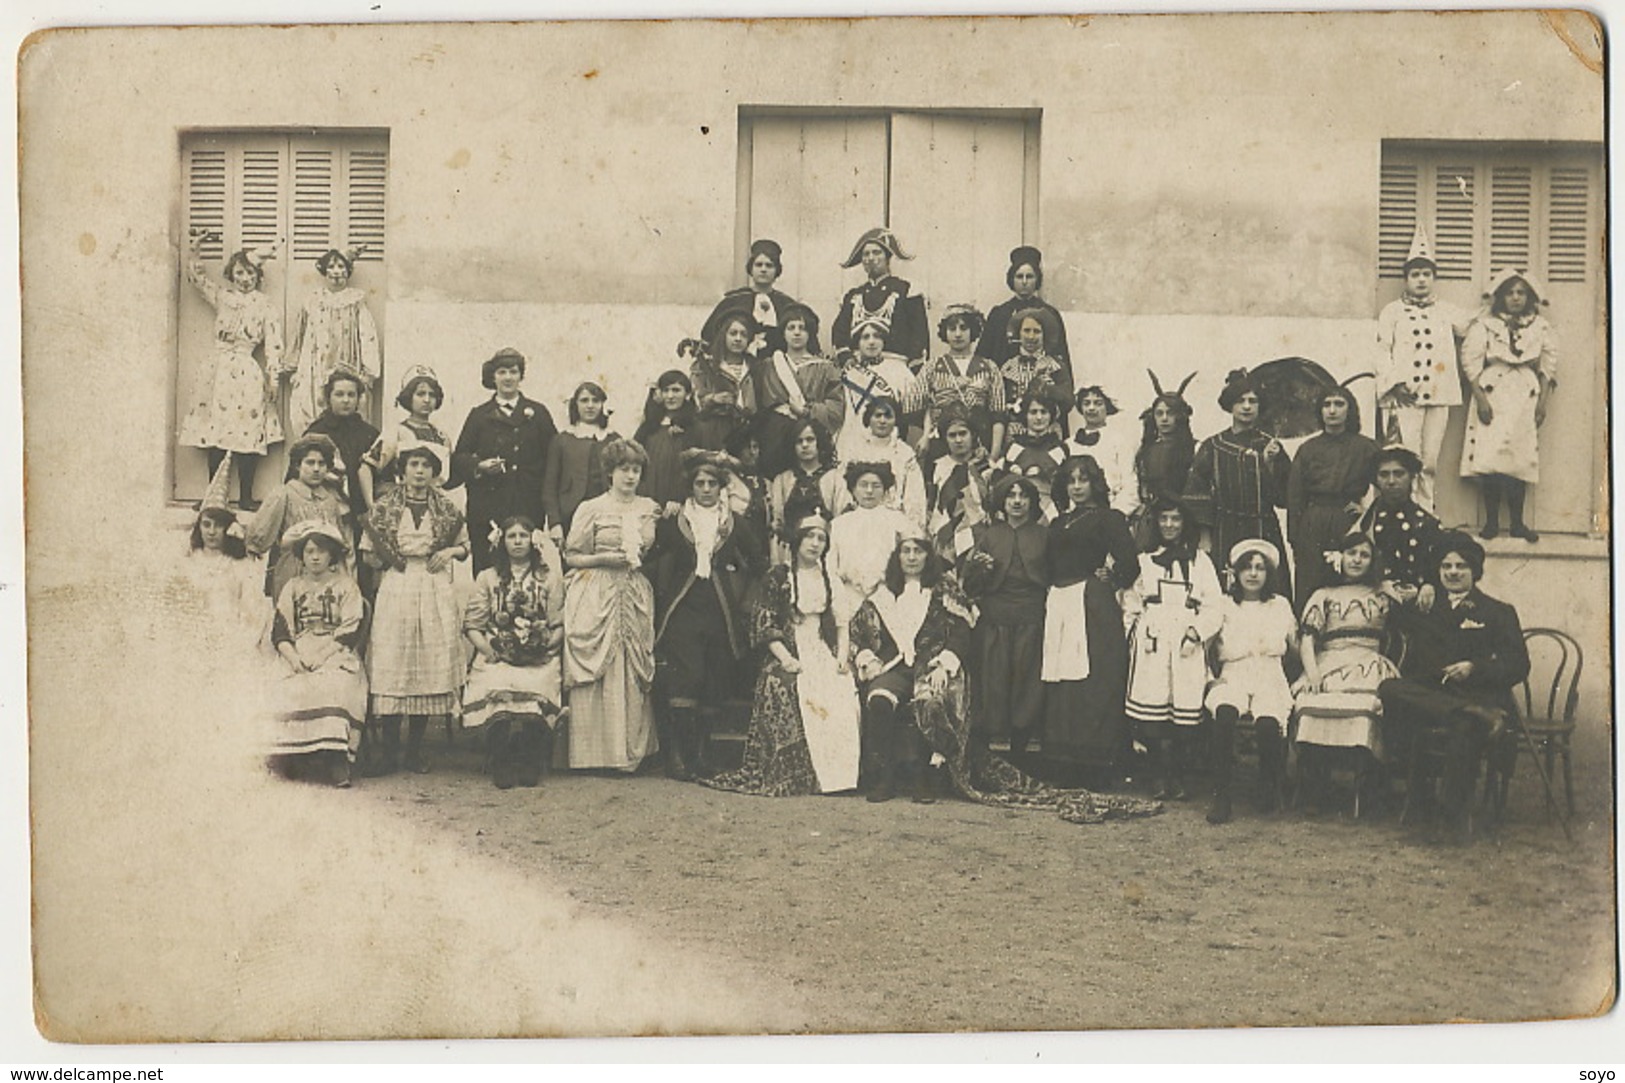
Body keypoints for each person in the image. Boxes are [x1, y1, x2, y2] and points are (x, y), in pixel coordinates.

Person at [1378, 532, 1530, 840]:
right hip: (1436, 697)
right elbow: (1390, 614)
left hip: (1479, 692)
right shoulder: (1427, 607)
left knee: (1463, 727)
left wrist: (1475, 668)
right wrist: (1422, 587)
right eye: (1446, 566)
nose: (1453, 572)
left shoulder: (1497, 612)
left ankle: (1450, 817)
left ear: (1474, 571)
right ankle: (1472, 713)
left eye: (1461, 566)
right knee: (1389, 687)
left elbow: (1518, 665)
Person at [704, 503, 862, 796]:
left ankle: (836, 777)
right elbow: (765, 624)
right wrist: (787, 659)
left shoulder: (831, 579)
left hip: (821, 648)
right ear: (796, 540)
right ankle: (798, 774)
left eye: (821, 538)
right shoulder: (779, 576)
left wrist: (842, 658)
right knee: (786, 684)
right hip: (787, 648)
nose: (815, 544)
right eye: (809, 537)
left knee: (841, 692)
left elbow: (842, 624)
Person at [649, 451, 766, 780]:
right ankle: (681, 758)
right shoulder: (676, 520)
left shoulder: (734, 522)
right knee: (688, 676)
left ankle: (702, 757)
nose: (705, 489)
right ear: (691, 487)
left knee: (713, 678)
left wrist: (748, 595)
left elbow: (757, 561)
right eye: (699, 483)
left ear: (721, 487)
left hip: (719, 608)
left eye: (712, 483)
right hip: (684, 606)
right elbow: (652, 555)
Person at [363, 441, 470, 776]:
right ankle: (390, 751)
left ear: (434, 473)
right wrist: (383, 557)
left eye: (426, 466)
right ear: (403, 470)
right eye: (414, 465)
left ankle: (414, 750)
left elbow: (465, 547)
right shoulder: (385, 506)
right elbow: (368, 551)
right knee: (396, 660)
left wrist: (449, 554)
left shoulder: (447, 508)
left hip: (433, 583)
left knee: (427, 661)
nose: (420, 471)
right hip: (397, 582)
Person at [849, 530, 975, 803]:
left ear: (928, 555)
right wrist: (869, 660)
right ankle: (886, 776)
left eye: (918, 551)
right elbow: (858, 633)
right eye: (906, 551)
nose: (912, 557)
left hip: (931, 667)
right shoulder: (883, 594)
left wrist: (945, 664)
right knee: (879, 699)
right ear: (898, 557)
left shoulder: (945, 590)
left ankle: (923, 777)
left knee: (928, 700)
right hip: (894, 668)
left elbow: (962, 631)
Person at [562, 438, 661, 772]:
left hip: (633, 591)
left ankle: (628, 754)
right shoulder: (591, 508)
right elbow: (572, 555)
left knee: (631, 664)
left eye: (635, 470)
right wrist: (604, 557)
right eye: (623, 469)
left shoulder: (649, 507)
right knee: (599, 664)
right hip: (597, 589)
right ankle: (594, 755)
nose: (630, 476)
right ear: (610, 472)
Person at [1040, 456, 1139, 784]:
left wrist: (1111, 576)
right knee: (1062, 680)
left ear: (1094, 482)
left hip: (1091, 602)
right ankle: (1064, 762)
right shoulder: (1058, 523)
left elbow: (1130, 563)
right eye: (1071, 481)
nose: (1077, 487)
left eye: (1083, 480)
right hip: (1059, 601)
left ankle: (1097, 765)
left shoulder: (1109, 518)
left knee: (1093, 679)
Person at [1295, 531, 1402, 816]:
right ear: (1339, 557)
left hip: (1369, 663)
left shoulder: (1383, 592)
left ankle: (1368, 785)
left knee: (1367, 708)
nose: (1357, 560)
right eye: (1351, 553)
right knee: (1312, 705)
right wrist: (1313, 674)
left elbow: (1408, 623)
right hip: (1328, 662)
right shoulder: (1324, 595)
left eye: (1364, 555)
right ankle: (1317, 784)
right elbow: (1307, 640)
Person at [1122, 499, 1223, 800]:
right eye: (1163, 519)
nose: (1169, 525)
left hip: (1185, 640)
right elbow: (1131, 602)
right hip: (1152, 638)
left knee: (1184, 705)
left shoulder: (1201, 561)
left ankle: (1177, 774)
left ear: (1184, 523)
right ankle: (1156, 774)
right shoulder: (1144, 560)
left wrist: (1197, 632)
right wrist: (1133, 637)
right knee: (1152, 704)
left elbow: (1214, 605)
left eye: (1175, 519)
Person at [178, 234, 284, 511]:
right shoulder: (223, 297)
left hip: (247, 371)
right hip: (219, 371)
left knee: (247, 433)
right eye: (239, 273)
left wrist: (273, 377)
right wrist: (195, 250)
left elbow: (274, 342)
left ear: (257, 275)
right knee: (217, 434)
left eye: (250, 273)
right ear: (231, 275)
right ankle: (215, 494)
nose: (245, 278)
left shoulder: (265, 304)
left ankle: (246, 495)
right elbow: (198, 280)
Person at [462, 517, 565, 790]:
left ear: (533, 540)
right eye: (511, 536)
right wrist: (490, 650)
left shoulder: (549, 577)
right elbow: (473, 625)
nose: (518, 541)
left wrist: (545, 646)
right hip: (497, 651)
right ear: (501, 541)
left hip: (538, 654)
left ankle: (531, 758)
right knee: (496, 682)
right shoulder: (487, 577)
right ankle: (501, 758)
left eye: (523, 535)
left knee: (539, 681)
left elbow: (559, 623)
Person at [1375, 227, 1470, 513]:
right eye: (1415, 274)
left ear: (1433, 278)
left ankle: (1426, 514)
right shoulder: (1392, 311)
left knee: (1429, 462)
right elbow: (1382, 349)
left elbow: (1471, 328)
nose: (1421, 280)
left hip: (1438, 396)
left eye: (1426, 274)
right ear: (1406, 279)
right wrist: (1394, 384)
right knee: (1404, 459)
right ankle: (1401, 513)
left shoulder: (1446, 310)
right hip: (1404, 397)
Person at [1203, 540, 1298, 823]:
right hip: (1234, 673)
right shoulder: (1223, 604)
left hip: (1269, 675)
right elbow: (1203, 645)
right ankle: (1222, 795)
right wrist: (1210, 679)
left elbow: (1296, 646)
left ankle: (1266, 786)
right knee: (1225, 713)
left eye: (1259, 568)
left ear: (1269, 573)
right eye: (1246, 567)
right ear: (1236, 572)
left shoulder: (1280, 605)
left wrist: (1303, 677)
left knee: (1268, 722)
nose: (1253, 574)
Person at [268, 521, 368, 788]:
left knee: (336, 685)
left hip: (336, 649)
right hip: (299, 648)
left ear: (331, 555)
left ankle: (336, 757)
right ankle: (290, 754)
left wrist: (323, 655)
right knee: (283, 684)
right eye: (309, 551)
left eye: (321, 551)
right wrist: (293, 658)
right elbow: (281, 630)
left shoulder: (347, 586)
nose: (315, 557)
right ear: (301, 555)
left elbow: (350, 629)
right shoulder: (292, 587)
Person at [1461, 269, 1559, 543]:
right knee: (1492, 459)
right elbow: (1471, 361)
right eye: (1510, 292)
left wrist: (1542, 404)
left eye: (1521, 293)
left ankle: (1517, 522)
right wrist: (1480, 399)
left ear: (1529, 297)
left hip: (1524, 394)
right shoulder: (1486, 325)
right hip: (1494, 390)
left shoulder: (1540, 327)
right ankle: (1491, 522)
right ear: (1500, 296)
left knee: (1520, 459)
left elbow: (1549, 365)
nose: (1515, 298)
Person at [960, 473, 1049, 757]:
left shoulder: (1044, 535)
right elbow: (970, 586)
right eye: (1011, 496)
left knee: (1027, 680)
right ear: (1002, 501)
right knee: (994, 679)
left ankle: (1020, 750)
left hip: (1031, 617)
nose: (1017, 501)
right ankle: (988, 751)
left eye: (1023, 496)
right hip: (995, 618)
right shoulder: (989, 535)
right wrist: (979, 570)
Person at [452, 347, 559, 573]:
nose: (508, 377)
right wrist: (479, 466)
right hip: (488, 508)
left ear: (521, 376)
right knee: (489, 569)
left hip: (528, 505)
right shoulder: (479, 415)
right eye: (502, 372)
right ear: (493, 377)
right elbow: (459, 458)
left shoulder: (538, 414)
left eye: (513, 371)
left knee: (528, 568)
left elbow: (554, 459)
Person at [1184, 367, 1290, 592]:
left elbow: (1284, 498)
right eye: (1240, 400)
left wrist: (1271, 464)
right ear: (1230, 406)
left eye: (1253, 401)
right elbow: (1196, 492)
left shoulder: (1271, 446)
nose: (1247, 407)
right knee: (1226, 589)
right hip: (1226, 529)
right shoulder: (1213, 446)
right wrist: (1205, 536)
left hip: (1264, 527)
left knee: (1268, 590)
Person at [1287, 384, 1379, 611]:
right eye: (1327, 404)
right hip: (1313, 522)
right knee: (1310, 583)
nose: (1332, 410)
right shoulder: (1308, 449)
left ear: (1350, 409)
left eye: (1339, 404)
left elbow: (1388, 485)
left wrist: (1367, 514)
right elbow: (1295, 496)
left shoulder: (1366, 447)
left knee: (1347, 580)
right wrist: (1295, 537)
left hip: (1347, 521)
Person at [286, 245, 382, 439]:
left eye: (341, 267)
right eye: (332, 266)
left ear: (348, 271)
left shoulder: (355, 300)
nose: (337, 271)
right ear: (324, 271)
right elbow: (300, 333)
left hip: (345, 364)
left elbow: (367, 334)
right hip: (314, 367)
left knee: (347, 414)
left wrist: (369, 371)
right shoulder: (312, 300)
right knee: (311, 414)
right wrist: (294, 367)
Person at [245, 432, 351, 604]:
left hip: (326, 577)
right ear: (297, 466)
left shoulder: (330, 501)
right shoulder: (283, 495)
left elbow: (339, 545)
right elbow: (258, 538)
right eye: (310, 463)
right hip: (291, 572)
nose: (316, 469)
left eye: (322, 463)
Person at [827, 462, 916, 664]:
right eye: (863, 485)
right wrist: (840, 594)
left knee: (898, 646)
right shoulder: (839, 524)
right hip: (848, 595)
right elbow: (830, 567)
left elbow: (913, 556)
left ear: (885, 490)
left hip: (887, 594)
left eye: (876, 486)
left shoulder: (898, 521)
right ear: (852, 489)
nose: (869, 491)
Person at [302, 370, 380, 589]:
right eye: (339, 394)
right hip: (324, 514)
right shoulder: (316, 433)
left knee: (361, 573)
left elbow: (382, 475)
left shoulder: (369, 434)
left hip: (360, 514)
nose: (346, 400)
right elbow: (298, 475)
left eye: (351, 395)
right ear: (328, 398)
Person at [749, 302, 844, 478]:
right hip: (774, 437)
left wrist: (806, 410)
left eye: (803, 328)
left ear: (810, 333)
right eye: (791, 327)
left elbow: (836, 409)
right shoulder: (768, 366)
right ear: (783, 333)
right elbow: (756, 405)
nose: (797, 332)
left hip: (809, 436)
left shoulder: (826, 368)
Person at [915, 303, 1007, 457]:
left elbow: (998, 414)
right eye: (952, 329)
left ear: (973, 331)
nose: (958, 334)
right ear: (945, 332)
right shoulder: (932, 367)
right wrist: (925, 436)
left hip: (980, 444)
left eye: (964, 328)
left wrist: (994, 453)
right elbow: (924, 406)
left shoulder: (989, 367)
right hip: (942, 443)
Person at [830, 227, 928, 367]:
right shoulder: (854, 296)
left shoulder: (906, 290)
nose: (871, 258)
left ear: (887, 257)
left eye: (876, 253)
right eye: (866, 254)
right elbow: (840, 334)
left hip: (895, 367)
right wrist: (847, 359)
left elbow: (919, 336)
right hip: (859, 368)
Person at [1358, 446, 1444, 601]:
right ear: (1375, 479)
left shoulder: (1427, 523)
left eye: (1399, 474)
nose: (1391, 481)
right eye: (1384, 475)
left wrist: (1426, 587)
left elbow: (1437, 570)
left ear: (1412, 476)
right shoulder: (1365, 522)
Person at [835, 314, 922, 460]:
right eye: (865, 337)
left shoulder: (899, 370)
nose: (871, 342)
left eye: (877, 336)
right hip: (851, 440)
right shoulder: (848, 372)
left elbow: (917, 408)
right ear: (858, 342)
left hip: (886, 442)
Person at [700, 238, 804, 360]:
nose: (763, 269)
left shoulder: (787, 304)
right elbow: (710, 336)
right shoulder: (732, 301)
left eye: (769, 265)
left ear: (777, 270)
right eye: (758, 265)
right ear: (751, 268)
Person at [978, 246, 1072, 378]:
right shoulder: (999, 314)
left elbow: (1061, 357)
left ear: (1037, 279)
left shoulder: (1050, 314)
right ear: (1011, 279)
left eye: (1029, 277)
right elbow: (984, 357)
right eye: (1019, 276)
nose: (1024, 282)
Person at [543, 381, 620, 542]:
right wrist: (554, 523)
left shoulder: (613, 439)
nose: (590, 406)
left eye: (595, 400)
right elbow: (549, 485)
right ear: (575, 405)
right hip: (570, 514)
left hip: (607, 512)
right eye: (584, 400)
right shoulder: (561, 440)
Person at [366, 364, 457, 498]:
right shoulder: (397, 432)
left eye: (432, 395)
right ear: (409, 397)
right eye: (420, 394)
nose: (426, 400)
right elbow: (366, 467)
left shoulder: (442, 437)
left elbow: (448, 478)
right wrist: (372, 505)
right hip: (401, 502)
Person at [766, 417, 848, 564]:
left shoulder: (835, 478)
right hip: (789, 555)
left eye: (810, 440)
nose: (805, 445)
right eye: (799, 441)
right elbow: (777, 522)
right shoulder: (782, 480)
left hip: (825, 554)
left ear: (819, 442)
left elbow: (841, 522)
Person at [837, 394, 927, 527]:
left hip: (893, 521)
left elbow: (914, 497)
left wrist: (911, 529)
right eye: (877, 415)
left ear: (896, 420)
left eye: (888, 416)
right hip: (858, 519)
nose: (882, 421)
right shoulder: (855, 450)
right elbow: (843, 490)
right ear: (869, 418)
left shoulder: (904, 453)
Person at [1132, 375, 1199, 550]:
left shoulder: (1193, 448)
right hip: (1152, 519)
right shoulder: (1145, 450)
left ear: (1180, 416)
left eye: (1170, 413)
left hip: (1182, 518)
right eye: (1159, 413)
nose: (1164, 418)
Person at [922, 404, 993, 562]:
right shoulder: (936, 467)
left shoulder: (986, 467)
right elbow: (930, 505)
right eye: (952, 435)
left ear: (972, 435)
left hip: (979, 538)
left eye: (963, 434)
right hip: (944, 538)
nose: (958, 440)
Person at [989, 388, 1069, 521]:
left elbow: (1064, 486)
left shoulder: (1059, 448)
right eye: (1033, 412)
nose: (1039, 417)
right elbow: (999, 482)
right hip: (1018, 513)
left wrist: (1043, 473)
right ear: (1025, 415)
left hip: (1050, 514)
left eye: (1044, 412)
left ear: (1051, 416)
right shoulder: (1014, 447)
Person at [634, 364, 701, 517]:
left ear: (687, 394)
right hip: (647, 493)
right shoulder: (650, 425)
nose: (670, 396)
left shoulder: (694, 426)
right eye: (666, 390)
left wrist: (678, 497)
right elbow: (636, 458)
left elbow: (695, 467)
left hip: (677, 500)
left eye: (676, 390)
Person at [996, 307, 1070, 440]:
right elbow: (1000, 403)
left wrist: (1050, 389)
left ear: (1045, 334)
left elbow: (1068, 401)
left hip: (1048, 430)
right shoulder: (1007, 367)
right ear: (1018, 333)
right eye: (1026, 331)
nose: (1031, 336)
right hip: (1016, 431)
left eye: (1037, 331)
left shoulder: (1056, 366)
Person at [690, 312, 759, 453]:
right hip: (716, 429)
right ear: (724, 335)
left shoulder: (755, 367)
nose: (738, 339)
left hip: (748, 431)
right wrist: (712, 399)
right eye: (733, 333)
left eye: (743, 335)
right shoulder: (706, 367)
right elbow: (694, 399)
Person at [1067, 385, 1138, 520]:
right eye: (1086, 403)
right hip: (1075, 516)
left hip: (1109, 512)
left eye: (1098, 403)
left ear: (1107, 407)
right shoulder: (1069, 444)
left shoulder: (1119, 442)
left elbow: (1130, 485)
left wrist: (1113, 516)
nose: (1091, 408)